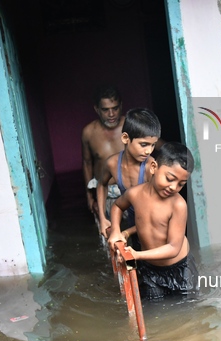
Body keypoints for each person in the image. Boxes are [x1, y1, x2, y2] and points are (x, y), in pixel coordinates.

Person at [108, 142, 198, 300]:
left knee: (188, 310)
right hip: (150, 268)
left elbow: (173, 248)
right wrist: (117, 231)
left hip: (180, 269)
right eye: (170, 178)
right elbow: (117, 206)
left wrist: (137, 255)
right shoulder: (135, 194)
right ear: (154, 167)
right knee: (154, 310)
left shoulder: (178, 205)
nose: (173, 187)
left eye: (181, 184)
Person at [96, 108, 161, 238]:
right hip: (134, 223)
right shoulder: (112, 164)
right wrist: (103, 218)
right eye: (144, 144)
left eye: (153, 145)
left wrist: (125, 233)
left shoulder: (150, 167)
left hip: (155, 230)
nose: (149, 151)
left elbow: (158, 214)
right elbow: (101, 184)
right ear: (126, 138)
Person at [81, 85, 125, 214]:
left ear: (121, 106)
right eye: (105, 110)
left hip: (132, 190)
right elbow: (87, 163)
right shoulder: (88, 132)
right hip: (104, 193)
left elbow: (156, 145)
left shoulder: (131, 126)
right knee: (107, 232)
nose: (111, 114)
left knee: (139, 232)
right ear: (97, 109)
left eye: (115, 108)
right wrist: (90, 197)